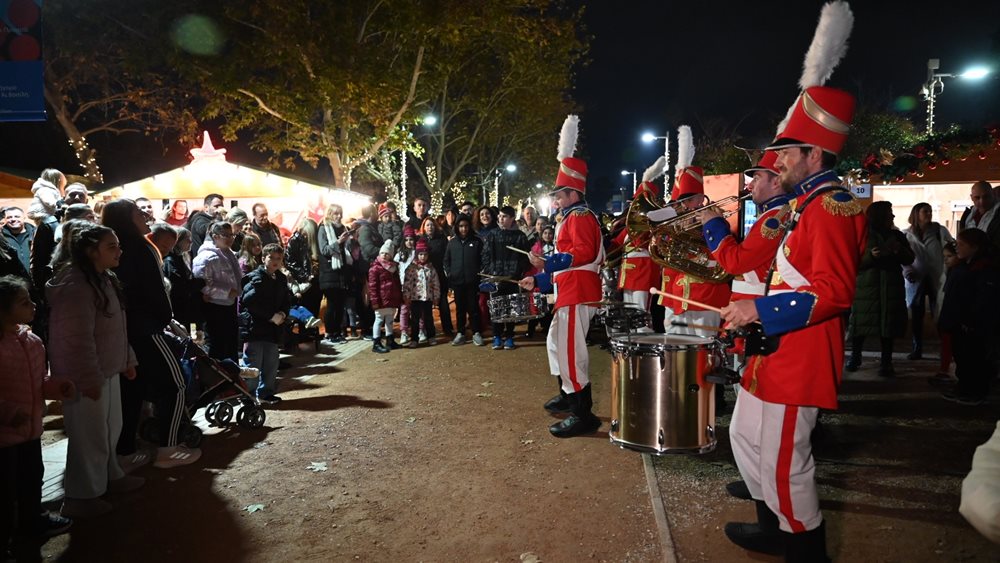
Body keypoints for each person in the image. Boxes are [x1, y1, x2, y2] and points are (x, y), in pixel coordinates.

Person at [720, 84, 866, 561]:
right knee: (744, 437)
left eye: (785, 152)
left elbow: (834, 291)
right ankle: (775, 529)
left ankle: (805, 551)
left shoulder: (829, 207)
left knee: (787, 465)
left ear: (815, 154)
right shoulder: (804, 205)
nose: (776, 161)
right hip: (775, 350)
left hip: (799, 355)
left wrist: (758, 309)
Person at [47, 223, 144, 518]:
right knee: (88, 437)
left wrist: (126, 358)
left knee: (108, 430)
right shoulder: (75, 287)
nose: (119, 251)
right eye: (111, 246)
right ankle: (81, 496)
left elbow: (115, 327)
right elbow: (75, 339)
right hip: (87, 376)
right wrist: (87, 378)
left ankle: (109, 477)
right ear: (91, 252)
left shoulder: (103, 279)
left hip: (106, 369)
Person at [520, 114, 603, 438]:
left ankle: (584, 414)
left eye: (559, 193)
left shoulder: (579, 216)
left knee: (571, 353)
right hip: (572, 288)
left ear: (572, 192)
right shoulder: (571, 216)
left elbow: (580, 254)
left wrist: (549, 262)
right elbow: (569, 262)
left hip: (579, 290)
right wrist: (540, 277)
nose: (554, 199)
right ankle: (571, 398)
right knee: (558, 345)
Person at [102, 199, 200, 470]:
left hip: (129, 329)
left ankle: (126, 450)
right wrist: (164, 317)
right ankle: (169, 448)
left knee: (132, 391)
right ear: (126, 218)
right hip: (147, 328)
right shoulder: (140, 248)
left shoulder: (120, 249)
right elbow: (152, 290)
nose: (144, 214)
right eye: (137, 211)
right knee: (176, 383)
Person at [0, 276, 73, 558]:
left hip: (29, 430)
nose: (32, 305)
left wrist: (58, 387)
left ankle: (33, 521)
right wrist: (9, 413)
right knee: (4, 493)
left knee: (32, 477)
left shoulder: (31, 340)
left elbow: (40, 379)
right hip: (6, 435)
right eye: (23, 302)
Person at [657, 126, 731, 336]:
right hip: (677, 294)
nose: (685, 206)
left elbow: (718, 257)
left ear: (701, 198)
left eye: (689, 200)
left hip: (705, 296)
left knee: (703, 351)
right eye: (682, 201)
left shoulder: (714, 220)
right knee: (676, 351)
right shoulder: (678, 222)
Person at [846, 201, 914, 377]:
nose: (892, 216)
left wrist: (899, 250)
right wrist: (871, 256)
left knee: (888, 327)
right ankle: (855, 357)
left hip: (890, 286)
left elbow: (909, 259)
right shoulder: (863, 235)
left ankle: (886, 362)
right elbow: (852, 261)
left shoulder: (897, 236)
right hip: (867, 288)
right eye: (889, 212)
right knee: (861, 325)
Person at [938, 228, 999, 406]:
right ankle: (964, 387)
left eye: (962, 244)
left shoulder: (985, 269)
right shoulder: (965, 265)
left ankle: (976, 391)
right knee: (963, 357)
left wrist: (970, 320)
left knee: (976, 358)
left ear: (975, 247)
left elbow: (983, 299)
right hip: (959, 321)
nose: (957, 247)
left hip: (973, 323)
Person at [611, 157, 666, 315]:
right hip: (628, 274)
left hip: (643, 272)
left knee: (641, 314)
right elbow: (616, 243)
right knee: (630, 315)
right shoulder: (629, 226)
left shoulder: (655, 222)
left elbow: (644, 243)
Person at [902, 202, 954, 359]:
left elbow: (951, 249)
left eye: (930, 211)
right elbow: (903, 258)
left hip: (936, 277)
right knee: (917, 316)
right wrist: (908, 271)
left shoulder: (940, 231)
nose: (929, 214)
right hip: (916, 279)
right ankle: (917, 348)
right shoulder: (906, 234)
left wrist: (948, 269)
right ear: (916, 214)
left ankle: (944, 349)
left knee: (940, 314)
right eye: (925, 211)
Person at [241, 243, 291, 405]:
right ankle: (247, 395)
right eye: (272, 258)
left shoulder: (281, 278)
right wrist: (270, 316)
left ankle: (266, 392)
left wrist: (283, 313)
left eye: (279, 258)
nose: (276, 261)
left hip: (272, 329)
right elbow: (249, 301)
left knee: (271, 362)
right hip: (256, 327)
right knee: (253, 363)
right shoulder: (256, 277)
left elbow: (286, 299)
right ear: (263, 258)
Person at [193, 221, 243, 362]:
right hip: (215, 306)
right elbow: (202, 283)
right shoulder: (205, 256)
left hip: (230, 303)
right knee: (218, 344)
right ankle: (219, 378)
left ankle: (233, 375)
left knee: (231, 342)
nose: (230, 238)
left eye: (231, 235)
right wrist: (226, 292)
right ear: (215, 236)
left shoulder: (228, 253)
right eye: (225, 235)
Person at [482, 206, 530, 350]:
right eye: (500, 216)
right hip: (496, 278)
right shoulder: (492, 235)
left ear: (511, 219)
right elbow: (485, 255)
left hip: (513, 278)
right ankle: (497, 336)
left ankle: (509, 336)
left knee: (510, 307)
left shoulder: (520, 236)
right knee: (497, 307)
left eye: (504, 217)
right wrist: (491, 271)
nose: (500, 219)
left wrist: (518, 272)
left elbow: (525, 257)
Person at [445, 214, 484, 346]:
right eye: (461, 226)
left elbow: (482, 260)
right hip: (457, 282)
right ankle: (460, 332)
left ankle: (476, 332)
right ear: (457, 227)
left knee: (473, 308)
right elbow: (447, 260)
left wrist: (479, 274)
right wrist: (450, 274)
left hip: (473, 282)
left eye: (466, 226)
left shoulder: (477, 242)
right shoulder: (452, 243)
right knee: (460, 309)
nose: (464, 229)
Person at [317, 204, 351, 343]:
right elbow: (324, 250)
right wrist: (339, 242)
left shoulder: (342, 228)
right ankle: (330, 332)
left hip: (342, 272)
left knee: (340, 304)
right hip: (329, 272)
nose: (338, 216)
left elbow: (345, 250)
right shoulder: (324, 228)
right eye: (335, 213)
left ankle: (337, 331)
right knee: (332, 304)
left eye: (340, 213)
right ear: (330, 214)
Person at [162, 227, 204, 331]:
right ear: (178, 241)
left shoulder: (183, 257)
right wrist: (201, 283)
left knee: (194, 333)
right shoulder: (170, 261)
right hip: (180, 309)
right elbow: (179, 285)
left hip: (188, 308)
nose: (191, 241)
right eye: (187, 239)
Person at [402, 238, 441, 347]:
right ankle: (414, 338)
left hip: (427, 298)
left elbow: (436, 283)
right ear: (417, 255)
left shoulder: (431, 268)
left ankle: (431, 336)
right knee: (414, 319)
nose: (422, 257)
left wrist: (436, 296)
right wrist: (406, 296)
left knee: (428, 318)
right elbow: (407, 283)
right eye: (420, 254)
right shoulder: (411, 268)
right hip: (415, 298)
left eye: (424, 254)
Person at [367, 240, 402, 353]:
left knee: (390, 320)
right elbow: (372, 287)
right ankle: (376, 342)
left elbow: (396, 284)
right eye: (382, 253)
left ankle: (390, 339)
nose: (384, 255)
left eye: (387, 253)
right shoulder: (375, 268)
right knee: (378, 320)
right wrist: (375, 301)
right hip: (381, 300)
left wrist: (398, 297)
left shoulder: (393, 268)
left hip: (391, 299)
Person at [422, 216, 453, 337]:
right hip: (426, 276)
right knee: (427, 304)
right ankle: (430, 330)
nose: (430, 227)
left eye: (432, 225)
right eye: (428, 225)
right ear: (424, 227)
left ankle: (447, 328)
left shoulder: (441, 239)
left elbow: (447, 256)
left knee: (443, 302)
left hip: (440, 274)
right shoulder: (421, 240)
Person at [395, 226, 419, 344]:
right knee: (404, 310)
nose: (409, 242)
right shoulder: (400, 254)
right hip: (404, 286)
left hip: (417, 286)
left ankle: (420, 330)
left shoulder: (418, 253)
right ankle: (404, 332)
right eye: (407, 240)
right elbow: (395, 267)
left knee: (418, 310)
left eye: (411, 239)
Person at [960, 181, 1000, 250]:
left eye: (986, 197)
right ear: (972, 198)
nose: (982, 201)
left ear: (993, 194)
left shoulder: (998, 215)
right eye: (977, 198)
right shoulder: (967, 215)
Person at [2, 207, 35, 274]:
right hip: (12, 281)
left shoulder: (35, 234)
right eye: (9, 217)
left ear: (24, 218)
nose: (13, 219)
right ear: (5, 220)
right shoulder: (1, 237)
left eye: (17, 216)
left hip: (35, 279)